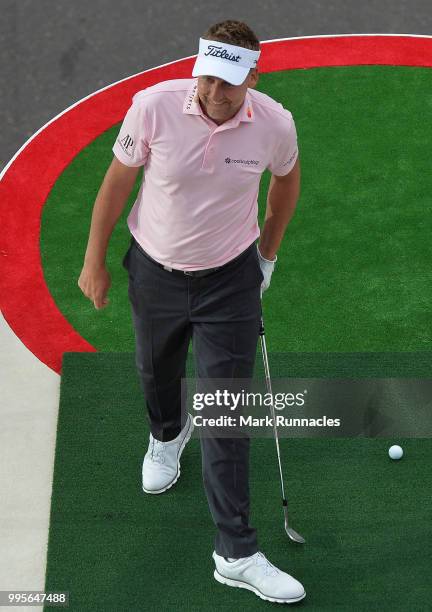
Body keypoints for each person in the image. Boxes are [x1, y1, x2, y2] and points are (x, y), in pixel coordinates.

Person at [78, 19, 304, 605]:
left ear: (253, 76)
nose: (214, 92)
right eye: (207, 77)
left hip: (229, 281)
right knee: (157, 373)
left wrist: (268, 257)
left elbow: (286, 184)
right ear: (198, 66)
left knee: (227, 413)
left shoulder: (274, 124)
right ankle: (166, 434)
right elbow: (116, 184)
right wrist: (95, 260)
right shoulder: (153, 107)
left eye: (229, 82)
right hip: (153, 270)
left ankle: (237, 552)